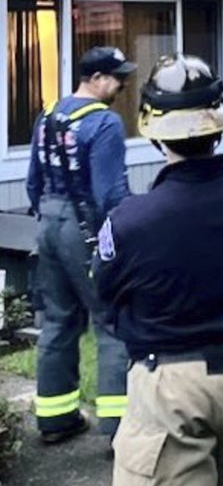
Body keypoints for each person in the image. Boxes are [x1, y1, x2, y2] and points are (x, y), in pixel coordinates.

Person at [94, 53, 223, 486]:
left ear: (153, 133)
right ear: (218, 126)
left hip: (167, 385)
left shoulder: (131, 222)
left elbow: (108, 299)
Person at [25, 46, 135, 444]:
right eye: (118, 78)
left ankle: (55, 420)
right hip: (85, 227)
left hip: (49, 222)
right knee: (112, 322)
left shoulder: (48, 117)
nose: (122, 84)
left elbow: (33, 181)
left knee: (57, 320)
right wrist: (127, 233)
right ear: (96, 79)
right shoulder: (105, 124)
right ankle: (119, 429)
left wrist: (50, 216)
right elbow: (111, 194)